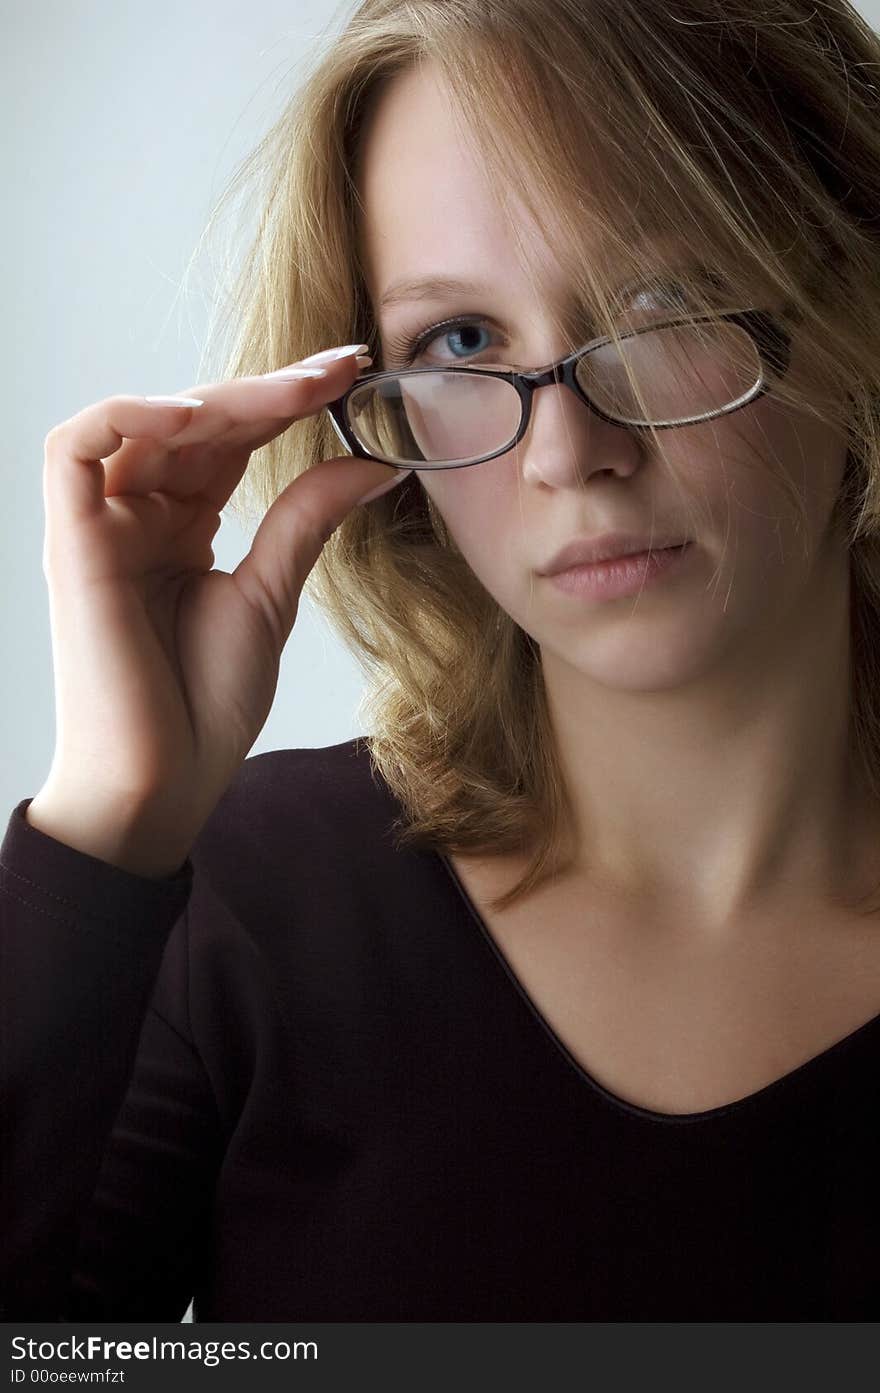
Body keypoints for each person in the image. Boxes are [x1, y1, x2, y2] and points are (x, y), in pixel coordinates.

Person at [3, 0, 880, 1322]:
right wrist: (107, 832)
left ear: (853, 289)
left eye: (667, 297)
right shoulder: (246, 903)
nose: (565, 451)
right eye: (460, 341)